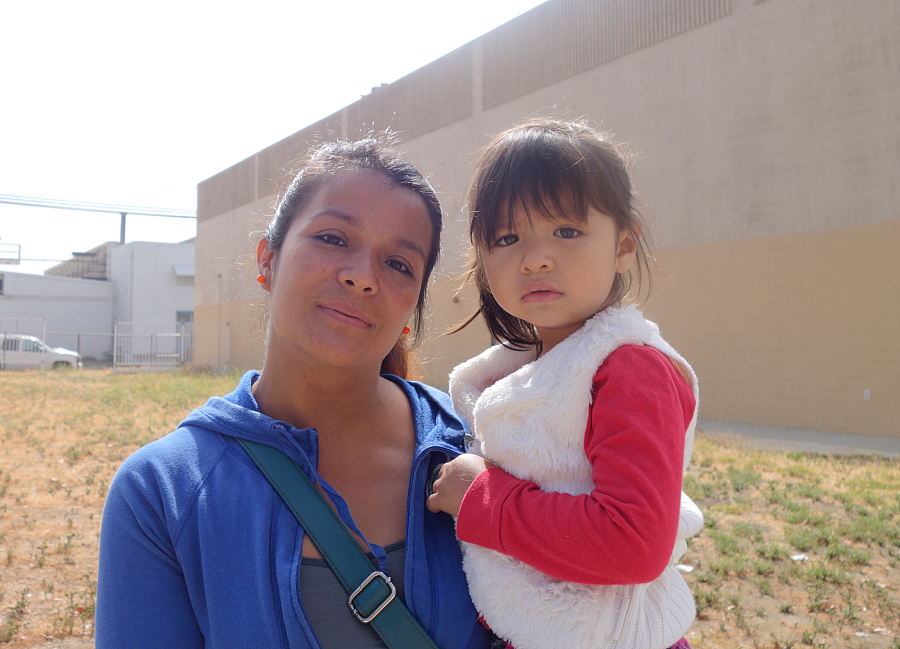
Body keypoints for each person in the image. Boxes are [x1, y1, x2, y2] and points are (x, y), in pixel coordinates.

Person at [96, 135, 495, 649]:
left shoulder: (481, 443)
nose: (361, 277)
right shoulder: (162, 493)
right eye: (333, 238)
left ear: (410, 315)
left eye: (398, 264)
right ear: (267, 260)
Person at [426, 118, 704, 649]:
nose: (535, 257)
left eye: (567, 231)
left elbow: (632, 544)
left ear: (624, 245)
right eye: (507, 237)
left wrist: (479, 499)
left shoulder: (629, 369)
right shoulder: (523, 369)